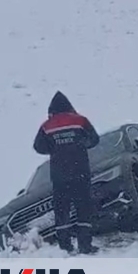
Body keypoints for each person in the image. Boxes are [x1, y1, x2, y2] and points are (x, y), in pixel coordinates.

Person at [33, 92, 101, 254]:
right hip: (80, 172)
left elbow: (38, 147)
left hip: (59, 174)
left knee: (62, 209)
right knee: (83, 208)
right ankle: (85, 245)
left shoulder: (46, 126)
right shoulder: (80, 121)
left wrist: (55, 149)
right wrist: (79, 145)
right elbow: (94, 139)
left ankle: (65, 246)